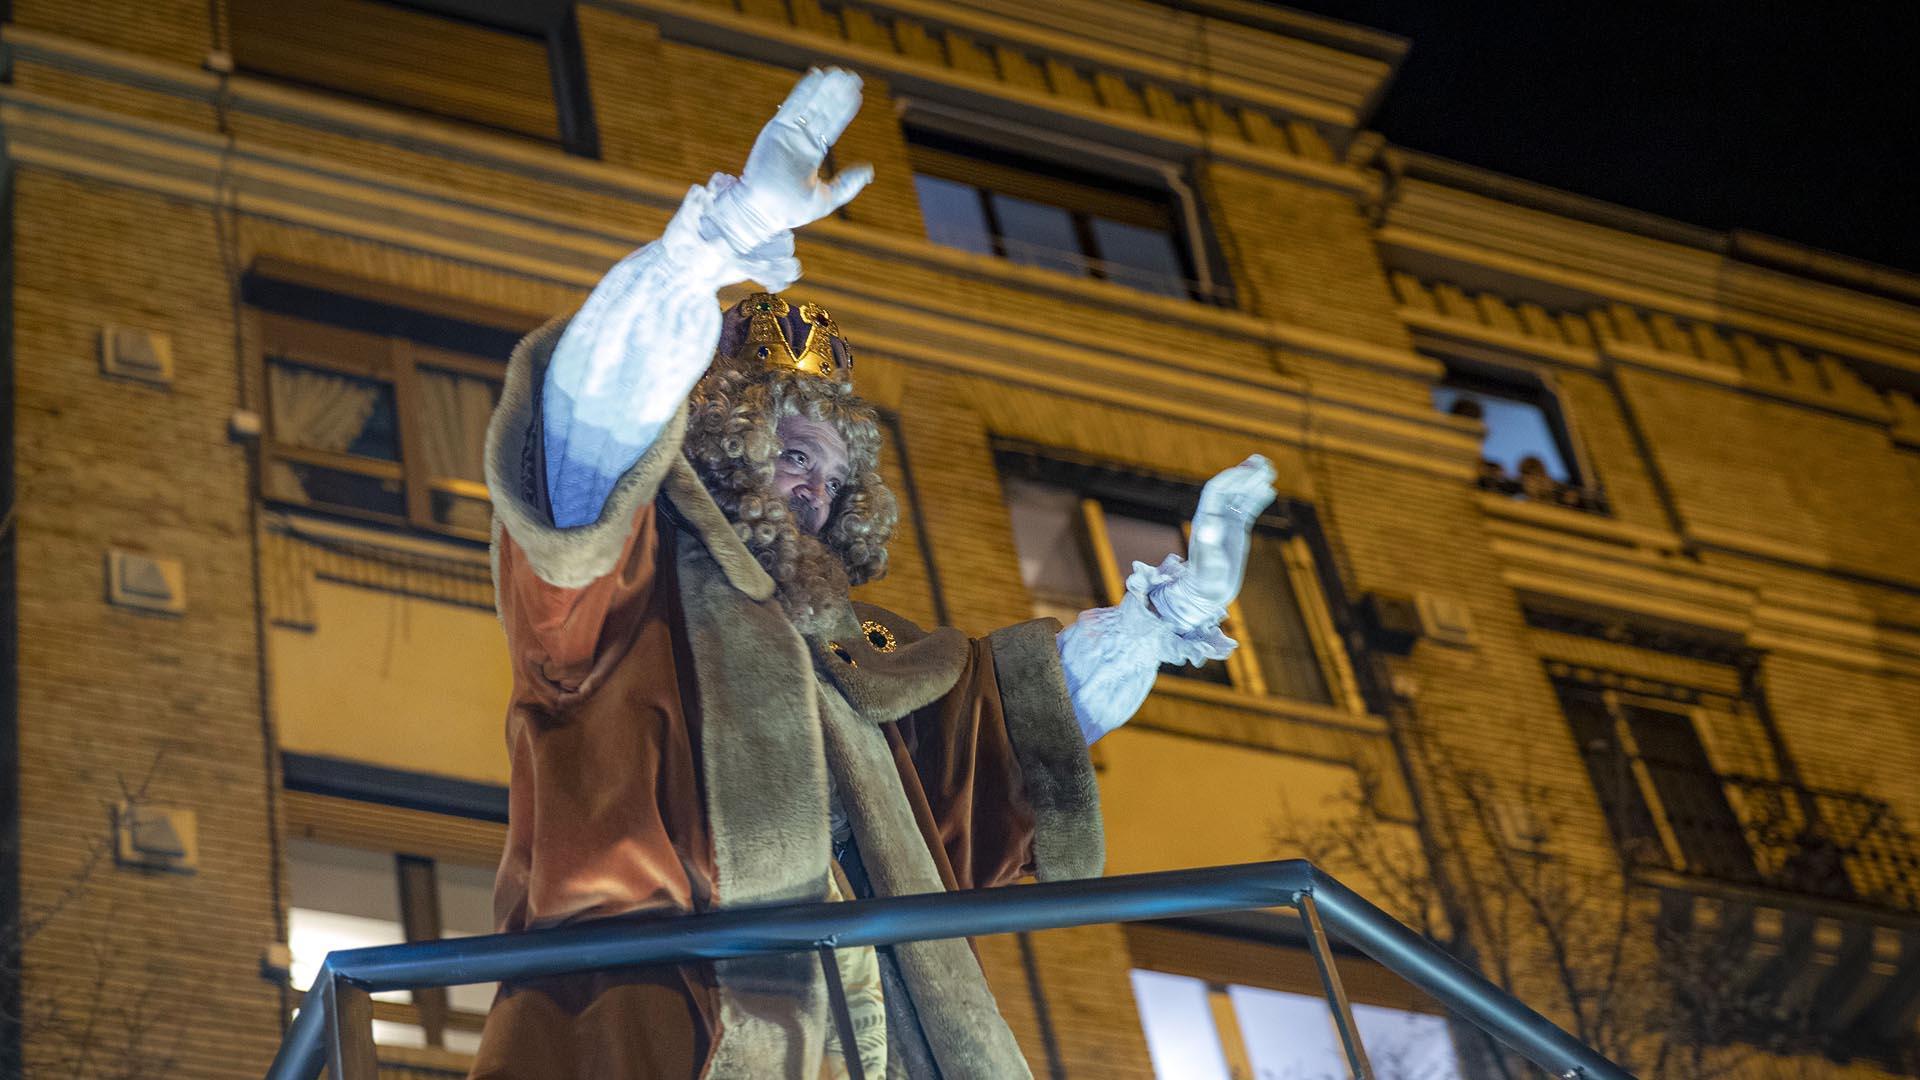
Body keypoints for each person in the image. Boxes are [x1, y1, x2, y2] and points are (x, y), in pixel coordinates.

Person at [469, 66, 1277, 1079]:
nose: (815, 491)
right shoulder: (623, 580)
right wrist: (704, 251)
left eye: (837, 473)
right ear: (722, 443)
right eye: (795, 453)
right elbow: (592, 420)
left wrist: (1160, 621)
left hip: (884, 1043)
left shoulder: (866, 657)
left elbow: (994, 765)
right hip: (663, 1029)